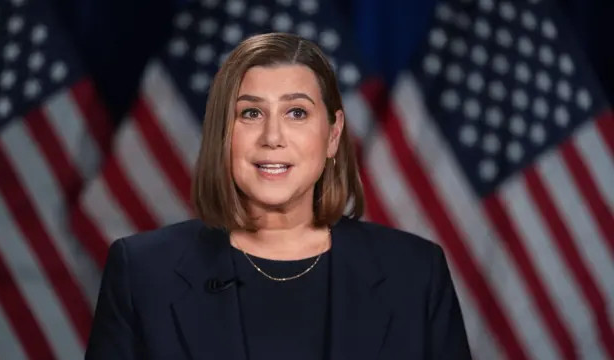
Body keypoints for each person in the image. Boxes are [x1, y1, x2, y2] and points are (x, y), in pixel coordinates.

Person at [85, 32, 472, 360]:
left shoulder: (416, 273)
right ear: (224, 134)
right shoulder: (142, 273)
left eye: (297, 113)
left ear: (333, 134)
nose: (272, 137)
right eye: (251, 114)